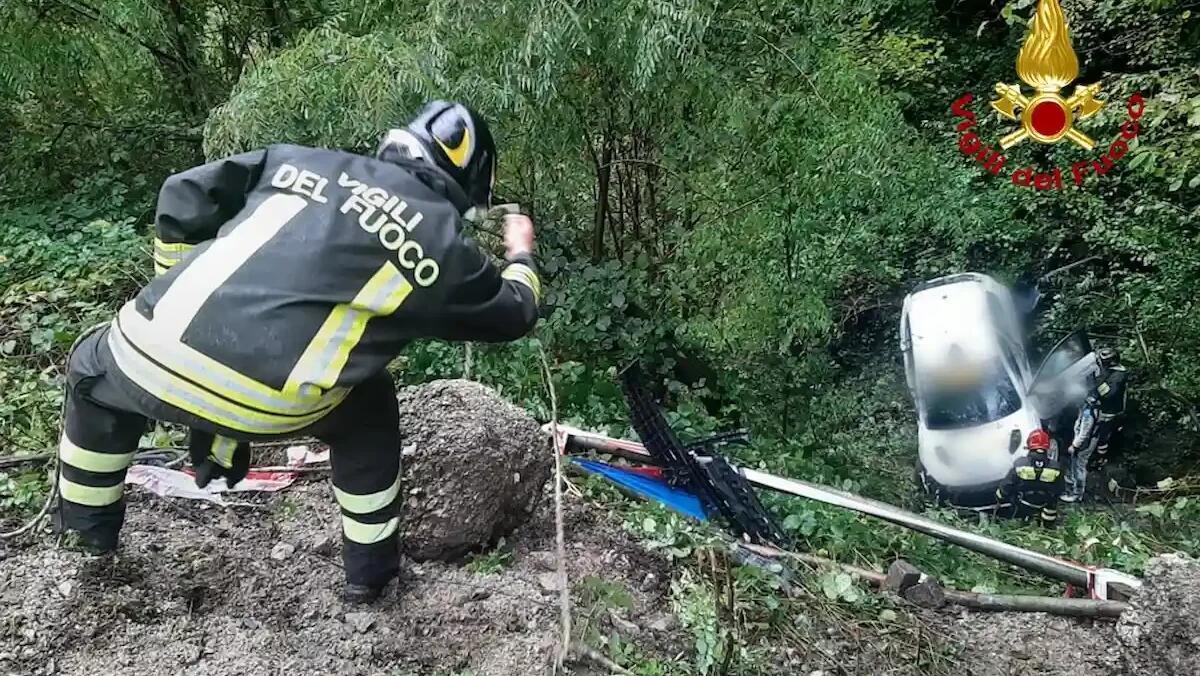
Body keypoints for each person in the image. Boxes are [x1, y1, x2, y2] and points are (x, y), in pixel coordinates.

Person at [51, 101, 542, 603]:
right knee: (368, 404)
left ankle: (86, 542)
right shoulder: (440, 243)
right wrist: (521, 254)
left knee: (93, 377)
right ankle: (370, 578)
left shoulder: (296, 161)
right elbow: (515, 313)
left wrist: (170, 293)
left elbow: (183, 194)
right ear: (463, 185)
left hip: (145, 352)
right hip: (271, 401)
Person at [996, 429, 1063, 527]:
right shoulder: (1056, 467)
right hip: (1044, 506)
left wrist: (999, 498)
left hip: (1022, 505)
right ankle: (1047, 529)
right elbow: (1060, 489)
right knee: (1052, 504)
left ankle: (1021, 522)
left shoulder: (1020, 464)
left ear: (1030, 445)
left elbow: (1007, 485)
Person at [1087, 347, 1128, 471]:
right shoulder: (1113, 372)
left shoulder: (1117, 377)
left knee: (1102, 436)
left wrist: (1097, 381)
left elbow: (1108, 393)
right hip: (1108, 408)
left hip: (1110, 412)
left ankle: (1101, 458)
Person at [1061, 403, 1097, 503]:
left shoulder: (1087, 413)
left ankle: (1077, 495)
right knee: (1076, 467)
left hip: (1084, 444)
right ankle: (1074, 491)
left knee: (1079, 467)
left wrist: (1075, 445)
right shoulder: (1087, 410)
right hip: (1086, 442)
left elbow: (1084, 433)